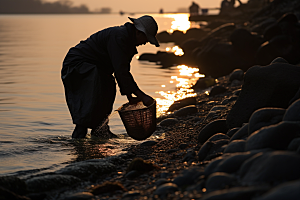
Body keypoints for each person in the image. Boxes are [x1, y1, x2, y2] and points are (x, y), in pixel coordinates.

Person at [61, 15, 159, 139]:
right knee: (89, 103)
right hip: (78, 66)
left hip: (96, 68)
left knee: (108, 87)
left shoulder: (127, 41)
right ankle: (79, 138)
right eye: (146, 38)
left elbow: (123, 70)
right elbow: (120, 71)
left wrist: (130, 96)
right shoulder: (119, 37)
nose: (145, 42)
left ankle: (100, 130)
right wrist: (141, 95)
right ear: (139, 32)